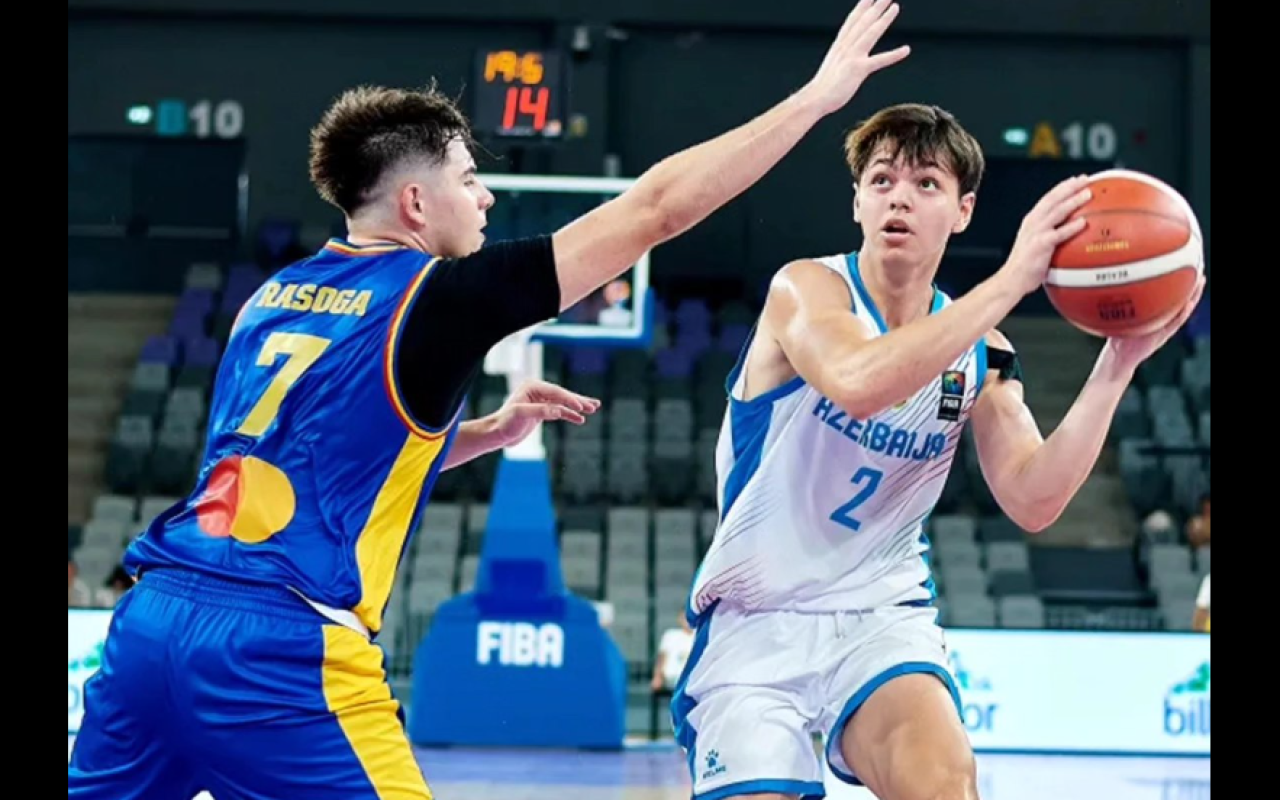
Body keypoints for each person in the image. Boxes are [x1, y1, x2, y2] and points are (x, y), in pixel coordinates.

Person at [67, 2, 911, 797]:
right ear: (414, 202)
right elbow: (654, 210)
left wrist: (479, 432)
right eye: (469, 178)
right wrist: (816, 98)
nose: (487, 196)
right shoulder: (437, 298)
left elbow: (315, 457)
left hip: (151, 624)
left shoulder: (271, 298)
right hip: (277, 652)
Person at [673, 102, 1205, 800]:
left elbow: (1034, 499)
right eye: (882, 180)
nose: (899, 197)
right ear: (858, 201)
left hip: (879, 616)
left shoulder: (983, 351)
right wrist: (1011, 280)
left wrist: (1118, 363)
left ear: (963, 211)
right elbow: (859, 382)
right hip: (757, 616)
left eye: (926, 183)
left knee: (945, 786)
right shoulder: (806, 289)